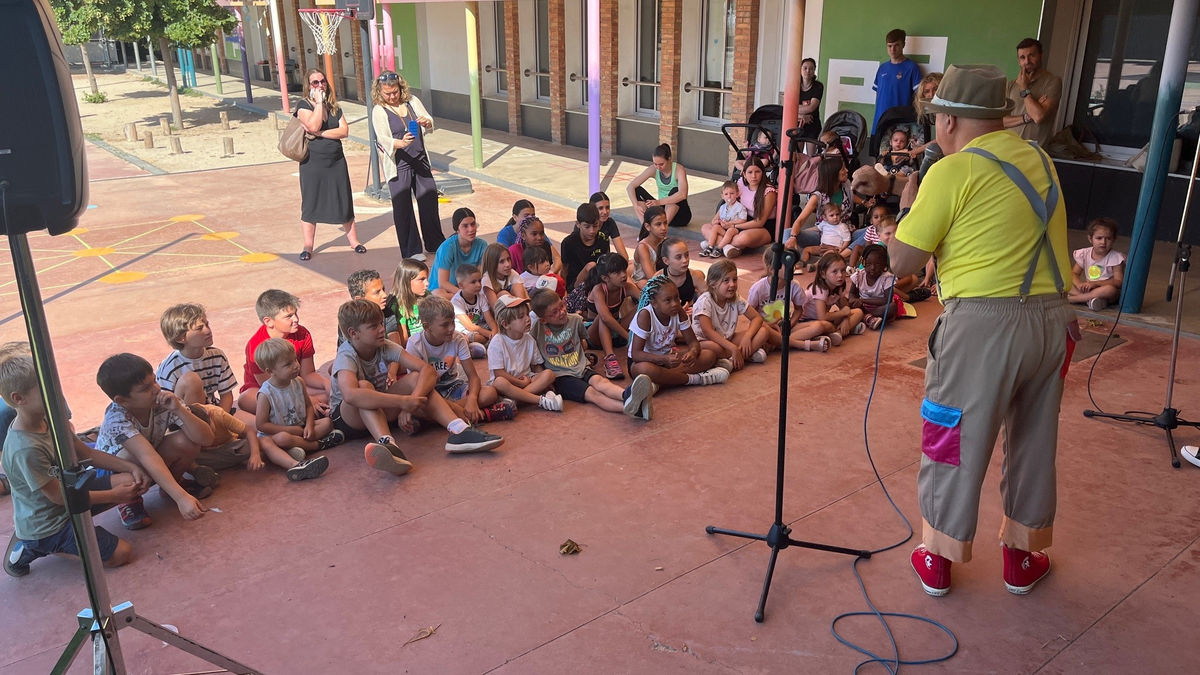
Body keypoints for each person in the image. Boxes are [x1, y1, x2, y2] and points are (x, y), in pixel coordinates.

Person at [887, 64, 1075, 597]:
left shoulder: (952, 171)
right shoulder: (1040, 158)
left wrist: (907, 201)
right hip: (1052, 323)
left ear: (947, 120)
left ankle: (937, 558)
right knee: (1035, 441)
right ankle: (1023, 556)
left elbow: (902, 259)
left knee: (949, 437)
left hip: (982, 328)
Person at [2, 352, 148, 577]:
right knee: (122, 554)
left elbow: (86, 453)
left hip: (70, 495)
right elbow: (59, 498)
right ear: (19, 398)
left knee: (130, 481)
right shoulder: (26, 449)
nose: (56, 392)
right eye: (45, 387)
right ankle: (38, 546)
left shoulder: (50, 418)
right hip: (50, 523)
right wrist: (113, 496)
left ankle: (71, 535)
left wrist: (130, 467)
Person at [329, 299, 505, 475]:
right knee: (363, 387)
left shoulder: (383, 345)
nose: (382, 329)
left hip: (380, 411)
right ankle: (388, 444)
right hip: (348, 420)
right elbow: (351, 395)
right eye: (374, 327)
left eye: (381, 323)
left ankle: (459, 430)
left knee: (416, 378)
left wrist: (413, 399)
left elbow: (426, 370)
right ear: (353, 333)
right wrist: (403, 401)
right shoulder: (346, 354)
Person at [95, 353, 215, 529]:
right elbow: (146, 456)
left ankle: (172, 486)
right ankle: (129, 501)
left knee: (185, 441)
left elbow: (206, 439)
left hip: (147, 458)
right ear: (122, 400)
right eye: (145, 388)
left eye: (154, 381)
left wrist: (180, 410)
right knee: (130, 455)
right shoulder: (116, 419)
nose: (156, 389)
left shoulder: (163, 401)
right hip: (115, 473)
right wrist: (181, 499)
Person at [529, 289, 655, 419]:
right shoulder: (537, 329)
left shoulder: (576, 321)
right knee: (593, 395)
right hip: (561, 376)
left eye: (561, 306)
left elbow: (582, 343)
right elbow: (532, 352)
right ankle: (632, 410)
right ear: (543, 320)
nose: (561, 312)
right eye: (554, 312)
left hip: (582, 367)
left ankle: (627, 395)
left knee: (601, 382)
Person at [370, 70, 444, 260]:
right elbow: (382, 138)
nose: (392, 96)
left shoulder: (412, 101)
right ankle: (412, 250)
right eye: (387, 93)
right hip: (399, 163)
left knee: (429, 199)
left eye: (395, 91)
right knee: (403, 208)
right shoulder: (379, 110)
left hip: (419, 158)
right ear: (380, 92)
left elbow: (429, 120)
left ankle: (435, 242)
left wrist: (427, 123)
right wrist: (398, 143)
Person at [406, 296, 513, 424]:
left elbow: (473, 377)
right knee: (419, 407)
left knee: (489, 393)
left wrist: (472, 399)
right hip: (431, 394)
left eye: (453, 322)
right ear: (427, 327)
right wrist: (464, 404)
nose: (451, 328)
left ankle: (439, 418)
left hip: (454, 387)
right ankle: (483, 414)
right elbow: (417, 385)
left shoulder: (457, 339)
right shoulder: (415, 344)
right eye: (445, 325)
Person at [295, 69, 363, 261]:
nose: (320, 85)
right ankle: (308, 246)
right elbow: (314, 125)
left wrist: (322, 134)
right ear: (308, 86)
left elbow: (344, 131)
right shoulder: (303, 105)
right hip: (312, 162)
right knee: (311, 202)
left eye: (322, 81)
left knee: (343, 199)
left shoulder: (334, 106)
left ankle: (354, 241)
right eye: (315, 83)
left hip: (336, 161)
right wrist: (318, 103)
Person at [252, 338, 339, 481]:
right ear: (270, 371)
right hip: (279, 434)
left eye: (295, 360)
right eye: (288, 364)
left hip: (300, 427)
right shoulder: (266, 394)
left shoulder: (298, 382)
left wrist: (310, 425)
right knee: (278, 439)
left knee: (327, 423)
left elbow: (308, 406)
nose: (296, 366)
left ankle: (297, 448)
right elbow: (261, 425)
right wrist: (292, 431)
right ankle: (299, 462)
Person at [237, 290, 329, 415]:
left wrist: (327, 384)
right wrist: (306, 399)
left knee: (330, 393)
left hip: (296, 383)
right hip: (265, 390)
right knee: (246, 399)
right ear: (268, 321)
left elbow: (308, 374)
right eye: (288, 316)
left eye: (295, 313)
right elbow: (271, 386)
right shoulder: (256, 345)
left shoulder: (303, 334)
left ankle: (298, 413)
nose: (296, 319)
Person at [628, 276, 728, 390]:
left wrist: (692, 353)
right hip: (645, 361)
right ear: (654, 303)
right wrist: (663, 359)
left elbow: (693, 342)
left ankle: (658, 383)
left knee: (709, 355)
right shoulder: (645, 316)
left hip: (668, 362)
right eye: (668, 300)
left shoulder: (679, 312)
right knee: (644, 370)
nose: (675, 303)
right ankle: (696, 379)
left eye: (676, 298)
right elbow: (636, 355)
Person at [486, 293, 562, 412]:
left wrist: (544, 380)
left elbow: (536, 366)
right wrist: (520, 383)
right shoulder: (497, 342)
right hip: (509, 384)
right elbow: (499, 373)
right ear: (505, 324)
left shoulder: (529, 339)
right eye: (521, 317)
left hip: (527, 380)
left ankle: (514, 401)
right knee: (500, 382)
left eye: (527, 314)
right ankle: (539, 400)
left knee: (549, 374)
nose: (528, 319)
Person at [155, 304, 238, 411]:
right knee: (191, 381)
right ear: (181, 338)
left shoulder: (217, 356)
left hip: (215, 413)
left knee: (252, 425)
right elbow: (165, 409)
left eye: (207, 325)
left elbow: (226, 395)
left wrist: (222, 421)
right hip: (186, 420)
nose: (208, 331)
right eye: (199, 328)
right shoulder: (170, 367)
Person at [747, 247, 832, 352]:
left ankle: (776, 344)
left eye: (791, 263)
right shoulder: (758, 288)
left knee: (820, 326)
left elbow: (798, 310)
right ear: (772, 269)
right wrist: (769, 326)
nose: (791, 267)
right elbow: (751, 315)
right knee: (764, 333)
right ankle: (805, 344)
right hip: (764, 328)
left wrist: (789, 325)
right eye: (786, 264)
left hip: (784, 327)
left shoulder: (794, 286)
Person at [692, 260, 768, 372]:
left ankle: (732, 360)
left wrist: (747, 336)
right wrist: (733, 348)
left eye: (735, 279)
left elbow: (756, 318)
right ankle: (744, 355)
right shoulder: (705, 301)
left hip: (728, 339)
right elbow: (708, 331)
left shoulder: (735, 298)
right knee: (715, 348)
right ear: (713, 284)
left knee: (763, 331)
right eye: (726, 281)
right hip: (705, 341)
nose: (732, 284)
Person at [700, 158, 777, 259]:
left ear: (763, 173)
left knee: (742, 238)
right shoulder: (741, 184)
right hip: (739, 220)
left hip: (760, 227)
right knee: (705, 227)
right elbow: (730, 201)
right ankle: (727, 247)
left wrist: (734, 226)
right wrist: (717, 217)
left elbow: (760, 222)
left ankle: (715, 243)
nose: (753, 176)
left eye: (757, 171)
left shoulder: (768, 191)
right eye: (750, 172)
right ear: (744, 174)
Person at [584, 253, 639, 380]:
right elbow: (606, 318)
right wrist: (628, 337)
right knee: (604, 317)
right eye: (617, 273)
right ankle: (610, 358)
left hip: (616, 330)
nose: (624, 275)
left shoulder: (627, 287)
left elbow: (647, 302)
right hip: (594, 334)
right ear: (605, 277)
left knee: (642, 307)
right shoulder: (598, 290)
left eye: (624, 270)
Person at [788, 158, 861, 250]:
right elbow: (800, 220)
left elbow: (851, 196)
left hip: (847, 234)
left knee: (872, 231)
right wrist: (793, 237)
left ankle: (843, 251)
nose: (846, 170)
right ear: (833, 173)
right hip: (823, 236)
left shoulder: (846, 185)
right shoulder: (817, 197)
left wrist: (864, 202)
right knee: (788, 233)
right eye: (842, 169)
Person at [1003, 38, 1063, 147]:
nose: (1027, 61)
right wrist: (1027, 117)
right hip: (1009, 149)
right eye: (1022, 57)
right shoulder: (1010, 85)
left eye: (1031, 55)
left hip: (1035, 152)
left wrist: (1024, 89)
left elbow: (1039, 117)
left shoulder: (1053, 82)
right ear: (1018, 61)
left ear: (1041, 55)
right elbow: (1001, 121)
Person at [627, 144, 692, 229]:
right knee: (636, 190)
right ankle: (646, 229)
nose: (658, 167)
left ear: (669, 159)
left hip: (680, 215)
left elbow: (683, 194)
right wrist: (636, 205)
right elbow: (630, 186)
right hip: (662, 210)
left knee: (675, 191)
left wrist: (658, 202)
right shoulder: (653, 169)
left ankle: (662, 229)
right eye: (655, 164)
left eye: (661, 164)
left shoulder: (679, 169)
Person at [801, 252, 864, 340]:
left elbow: (845, 308)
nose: (840, 275)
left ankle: (838, 333)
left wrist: (845, 318)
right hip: (809, 321)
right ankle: (845, 330)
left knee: (858, 312)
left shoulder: (838, 286)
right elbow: (822, 317)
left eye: (842, 270)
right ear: (823, 274)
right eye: (835, 271)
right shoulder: (820, 289)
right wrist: (843, 313)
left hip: (824, 319)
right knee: (826, 326)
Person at [872, 29, 923, 134]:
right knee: (875, 150)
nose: (892, 49)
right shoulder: (882, 68)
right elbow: (878, 95)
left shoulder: (912, 68)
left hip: (900, 126)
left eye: (896, 45)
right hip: (880, 123)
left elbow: (919, 97)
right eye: (889, 46)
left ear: (903, 45)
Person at [1068, 217, 1124, 311]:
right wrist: (1079, 285)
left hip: (1103, 290)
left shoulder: (1115, 258)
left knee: (1111, 290)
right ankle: (1090, 300)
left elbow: (1118, 282)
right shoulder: (1084, 254)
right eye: (1099, 238)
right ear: (1090, 239)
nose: (1103, 242)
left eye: (1108, 239)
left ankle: (1075, 299)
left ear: (1113, 240)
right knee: (1066, 283)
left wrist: (1096, 283)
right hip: (1088, 289)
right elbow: (1074, 273)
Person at [431, 207, 488, 299]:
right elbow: (443, 283)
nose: (471, 229)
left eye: (473, 224)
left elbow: (480, 275)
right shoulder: (448, 247)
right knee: (438, 295)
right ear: (457, 229)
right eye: (465, 226)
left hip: (469, 287)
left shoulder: (482, 245)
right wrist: (463, 294)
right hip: (446, 290)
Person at [339, 269, 401, 346]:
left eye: (383, 289)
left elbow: (395, 346)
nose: (385, 295)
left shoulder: (387, 313)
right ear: (359, 300)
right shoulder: (348, 320)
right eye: (377, 292)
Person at [561, 202, 612, 291]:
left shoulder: (603, 239)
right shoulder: (568, 243)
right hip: (575, 285)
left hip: (597, 282)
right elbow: (564, 270)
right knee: (591, 266)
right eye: (587, 227)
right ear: (578, 224)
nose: (592, 231)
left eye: (595, 226)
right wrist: (564, 292)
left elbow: (605, 264)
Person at [451, 263, 497, 357]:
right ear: (461, 285)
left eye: (479, 281)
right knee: (476, 337)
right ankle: (469, 347)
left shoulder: (480, 297)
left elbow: (489, 319)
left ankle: (476, 347)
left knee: (497, 328)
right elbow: (470, 326)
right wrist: (490, 335)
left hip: (478, 327)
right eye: (473, 282)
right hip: (463, 330)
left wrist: (495, 331)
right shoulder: (456, 302)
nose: (478, 285)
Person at [849, 244, 898, 330]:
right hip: (862, 306)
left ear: (884, 265)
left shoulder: (887, 278)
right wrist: (854, 300)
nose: (873, 268)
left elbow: (887, 300)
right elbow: (852, 293)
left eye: (878, 264)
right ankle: (868, 318)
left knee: (892, 307)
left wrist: (863, 300)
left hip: (878, 307)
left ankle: (864, 317)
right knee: (844, 302)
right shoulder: (859, 275)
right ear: (863, 263)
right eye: (869, 264)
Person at [656, 238, 706, 312]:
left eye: (686, 255)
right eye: (678, 257)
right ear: (666, 261)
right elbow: (653, 306)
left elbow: (711, 299)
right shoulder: (658, 278)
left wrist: (697, 308)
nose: (685, 260)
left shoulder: (694, 276)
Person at [701, 181, 749, 258]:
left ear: (737, 194)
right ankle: (710, 246)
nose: (729, 196)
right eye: (726, 194)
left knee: (730, 230)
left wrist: (730, 223)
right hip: (724, 230)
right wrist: (717, 222)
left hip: (734, 229)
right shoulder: (722, 207)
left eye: (732, 193)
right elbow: (713, 221)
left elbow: (743, 220)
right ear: (722, 196)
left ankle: (719, 248)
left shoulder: (740, 207)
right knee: (715, 227)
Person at [389, 258, 430, 345]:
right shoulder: (397, 304)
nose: (427, 283)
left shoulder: (428, 296)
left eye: (426, 279)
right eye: (421, 279)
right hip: (412, 346)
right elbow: (404, 341)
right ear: (406, 281)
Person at [508, 215, 562, 279]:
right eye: (534, 234)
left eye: (542, 233)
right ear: (523, 236)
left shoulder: (545, 246)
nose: (539, 238)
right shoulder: (514, 251)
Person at [801, 202, 852, 268]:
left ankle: (815, 266)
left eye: (837, 214)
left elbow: (847, 239)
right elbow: (817, 228)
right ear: (824, 217)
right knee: (806, 249)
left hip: (833, 248)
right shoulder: (824, 223)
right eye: (831, 215)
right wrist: (804, 231)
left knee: (827, 255)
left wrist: (842, 248)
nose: (835, 217)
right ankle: (803, 263)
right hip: (822, 247)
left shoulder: (842, 226)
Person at [481, 243, 527, 309]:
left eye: (508, 259)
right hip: (499, 313)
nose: (507, 264)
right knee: (503, 294)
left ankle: (523, 311)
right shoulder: (487, 280)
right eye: (502, 261)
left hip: (515, 308)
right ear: (492, 264)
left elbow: (526, 295)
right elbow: (495, 308)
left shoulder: (512, 273)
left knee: (517, 286)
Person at [589, 192, 630, 263]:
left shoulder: (610, 223)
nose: (605, 212)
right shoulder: (584, 225)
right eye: (600, 208)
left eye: (607, 207)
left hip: (604, 266)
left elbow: (624, 256)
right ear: (592, 209)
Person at [632, 207, 669, 287]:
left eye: (665, 223)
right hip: (645, 283)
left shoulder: (666, 242)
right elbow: (651, 277)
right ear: (648, 226)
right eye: (658, 224)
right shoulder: (643, 247)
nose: (663, 228)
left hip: (662, 279)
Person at [798, 57, 825, 140]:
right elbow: (787, 107)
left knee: (812, 153)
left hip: (813, 122)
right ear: (800, 69)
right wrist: (801, 116)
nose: (808, 71)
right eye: (805, 68)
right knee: (797, 152)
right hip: (797, 122)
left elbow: (811, 108)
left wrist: (794, 108)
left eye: (811, 69)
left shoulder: (818, 86)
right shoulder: (794, 85)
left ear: (814, 71)